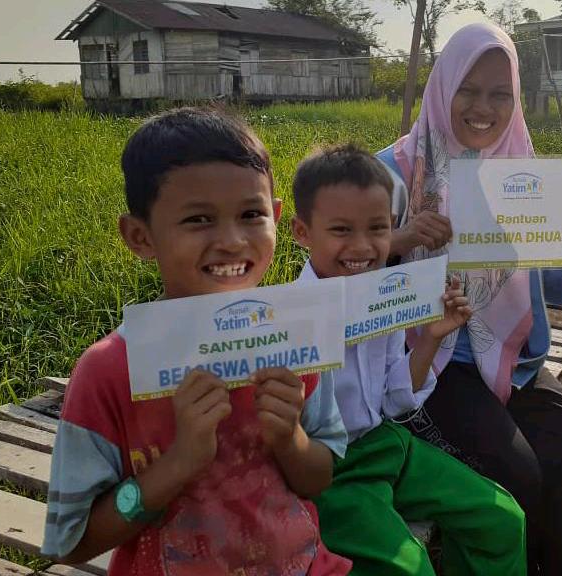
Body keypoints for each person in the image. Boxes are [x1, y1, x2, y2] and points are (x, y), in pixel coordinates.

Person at [41, 108, 351, 576]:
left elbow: (320, 477)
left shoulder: (293, 338)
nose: (230, 240)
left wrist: (291, 439)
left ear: (277, 216)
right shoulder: (109, 372)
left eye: (251, 214)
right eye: (198, 219)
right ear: (140, 236)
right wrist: (177, 464)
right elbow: (72, 540)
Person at [376, 23, 562, 575]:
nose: (483, 107)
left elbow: (531, 280)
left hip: (512, 360)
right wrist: (399, 238)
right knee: (516, 472)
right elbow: (342, 261)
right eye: (469, 88)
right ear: (443, 86)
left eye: (500, 94)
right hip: (425, 365)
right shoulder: (391, 174)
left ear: (515, 99)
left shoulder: (521, 170)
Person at [291, 143, 527, 576]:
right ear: (302, 232)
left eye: (378, 229)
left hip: (386, 444)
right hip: (330, 471)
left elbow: (394, 402)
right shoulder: (290, 321)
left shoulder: (386, 294)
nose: (362, 246)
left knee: (501, 517)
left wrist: (432, 339)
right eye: (341, 230)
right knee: (409, 568)